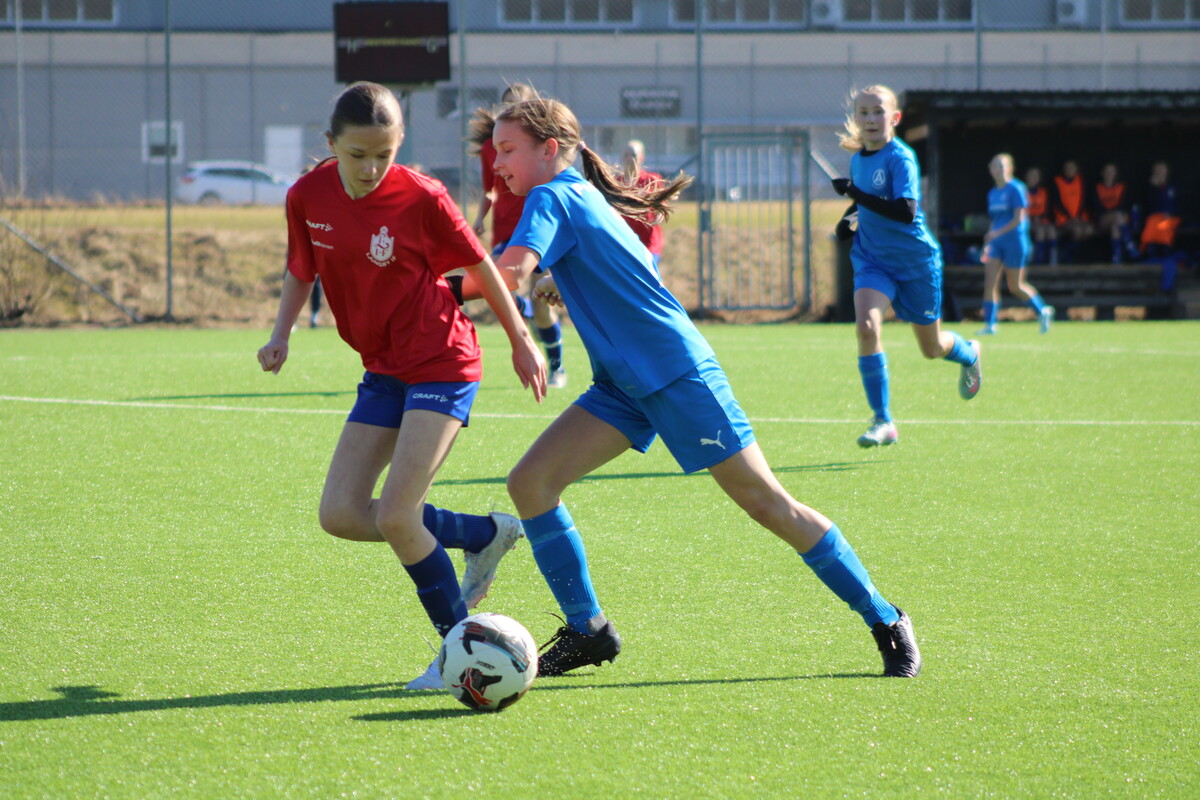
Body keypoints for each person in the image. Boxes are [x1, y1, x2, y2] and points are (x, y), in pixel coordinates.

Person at [489, 93, 922, 679]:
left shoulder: (551, 195)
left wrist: (439, 285)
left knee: (768, 504)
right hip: (624, 385)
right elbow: (606, 270)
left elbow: (511, 271)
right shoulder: (574, 193)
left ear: (548, 149)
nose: (497, 164)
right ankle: (588, 630)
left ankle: (885, 617)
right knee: (531, 483)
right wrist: (559, 282)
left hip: (676, 375)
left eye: (507, 150)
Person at [256, 82, 547, 691]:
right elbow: (300, 268)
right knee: (340, 514)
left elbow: (481, 265)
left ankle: (458, 654)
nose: (371, 168)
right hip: (384, 369)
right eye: (357, 155)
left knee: (396, 514)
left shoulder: (421, 196)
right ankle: (483, 534)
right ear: (331, 143)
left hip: (442, 360)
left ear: (400, 144)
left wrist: (521, 339)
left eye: (384, 155)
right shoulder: (306, 196)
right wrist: (281, 334)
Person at [831, 84, 981, 449]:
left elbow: (905, 211)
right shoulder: (858, 160)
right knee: (866, 327)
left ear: (895, 118)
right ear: (856, 118)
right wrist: (848, 220)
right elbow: (865, 204)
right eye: (863, 112)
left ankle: (970, 353)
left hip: (915, 263)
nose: (870, 119)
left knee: (932, 348)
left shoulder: (901, 157)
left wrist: (854, 194)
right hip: (873, 260)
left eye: (878, 111)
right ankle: (883, 420)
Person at [469, 82, 569, 389]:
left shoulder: (538, 151)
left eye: (519, 106)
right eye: (507, 105)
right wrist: (479, 218)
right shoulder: (490, 149)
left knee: (542, 308)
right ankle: (525, 311)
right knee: (499, 288)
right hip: (505, 230)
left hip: (537, 231)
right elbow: (489, 189)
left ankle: (557, 366)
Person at [979, 153, 1054, 335]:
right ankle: (990, 325)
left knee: (1016, 286)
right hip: (996, 243)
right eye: (995, 166)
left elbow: (1018, 219)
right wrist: (988, 240)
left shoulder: (1017, 188)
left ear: (1010, 168)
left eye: (1002, 166)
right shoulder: (992, 193)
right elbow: (995, 220)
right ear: (990, 169)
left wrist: (997, 233)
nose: (998, 170)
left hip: (1015, 242)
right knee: (990, 282)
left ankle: (1042, 310)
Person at [620, 139, 666, 267]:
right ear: (622, 157)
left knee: (648, 273)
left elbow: (661, 206)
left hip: (649, 243)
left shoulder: (651, 180)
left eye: (633, 155)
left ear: (641, 157)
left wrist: (659, 214)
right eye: (626, 155)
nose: (630, 159)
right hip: (626, 243)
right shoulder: (616, 182)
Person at [1092, 162, 1137, 264]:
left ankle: (1116, 258)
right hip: (1102, 220)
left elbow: (1125, 204)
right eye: (1107, 171)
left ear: (1115, 173)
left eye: (1111, 171)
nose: (1109, 174)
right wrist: (1112, 213)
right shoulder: (1097, 188)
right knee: (1117, 216)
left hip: (1119, 220)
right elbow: (1097, 208)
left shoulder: (1121, 187)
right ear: (1102, 173)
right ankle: (1129, 244)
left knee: (1115, 228)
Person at [1137, 161, 1181, 262]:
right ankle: (1151, 256)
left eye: (1161, 170)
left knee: (1163, 226)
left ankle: (1165, 254)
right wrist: (1154, 188)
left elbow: (1181, 205)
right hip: (1155, 218)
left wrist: (1171, 214)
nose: (1159, 172)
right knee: (1154, 224)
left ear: (1167, 171)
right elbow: (1149, 206)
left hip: (1172, 218)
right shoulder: (1150, 188)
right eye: (1157, 170)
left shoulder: (1173, 186)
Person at [1051, 159, 1093, 264]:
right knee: (1077, 231)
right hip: (1063, 218)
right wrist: (1070, 217)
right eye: (1067, 168)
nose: (1069, 170)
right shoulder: (1057, 182)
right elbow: (1057, 202)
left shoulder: (1081, 181)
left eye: (1072, 168)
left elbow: (1084, 200)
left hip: (1079, 218)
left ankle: (1077, 257)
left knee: (1088, 230)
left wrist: (1078, 216)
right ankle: (1067, 257)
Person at [1024, 166, 1057, 265]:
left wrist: (1040, 218)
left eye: (1035, 176)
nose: (1033, 179)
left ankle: (1053, 262)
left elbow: (1048, 209)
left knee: (1051, 230)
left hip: (1042, 220)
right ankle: (1038, 262)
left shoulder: (1043, 192)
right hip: (1027, 221)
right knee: (1040, 231)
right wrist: (1032, 218)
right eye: (1031, 176)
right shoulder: (1022, 191)